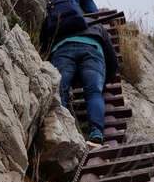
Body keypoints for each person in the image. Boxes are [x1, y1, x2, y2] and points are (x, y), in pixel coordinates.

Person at [40, 17, 118, 145]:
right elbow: (112, 58)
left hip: (63, 50)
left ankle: (62, 130)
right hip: (92, 50)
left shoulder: (59, 19)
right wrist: (104, 79)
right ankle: (96, 132)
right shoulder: (96, 24)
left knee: (60, 91)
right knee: (94, 93)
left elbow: (44, 44)